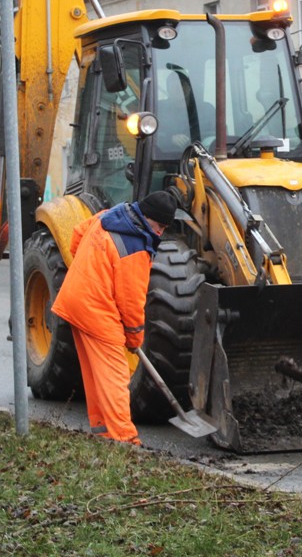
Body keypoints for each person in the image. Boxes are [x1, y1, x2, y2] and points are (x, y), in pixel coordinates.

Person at [50, 190, 178, 445]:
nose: (160, 232)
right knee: (116, 376)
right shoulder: (135, 247)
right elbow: (131, 301)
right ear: (147, 216)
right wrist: (134, 337)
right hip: (97, 310)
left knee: (96, 375)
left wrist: (92, 270)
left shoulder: (108, 216)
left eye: (165, 227)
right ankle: (125, 440)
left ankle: (104, 433)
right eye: (159, 225)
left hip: (75, 300)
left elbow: (76, 237)